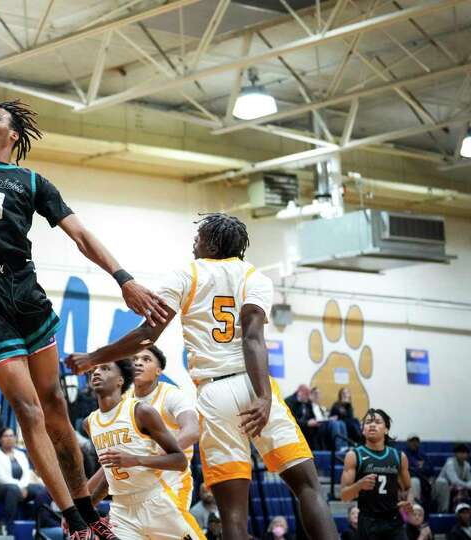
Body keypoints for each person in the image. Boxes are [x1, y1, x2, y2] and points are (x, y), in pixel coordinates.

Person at [0, 4, 166, 538]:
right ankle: (73, 520)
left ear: (13, 135)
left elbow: (82, 235)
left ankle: (90, 511)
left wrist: (124, 277)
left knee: (56, 407)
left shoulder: (34, 183)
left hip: (24, 285)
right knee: (25, 408)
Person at [66, 214, 338, 540]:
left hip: (214, 393)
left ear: (211, 240)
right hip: (253, 383)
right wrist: (263, 396)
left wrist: (93, 357)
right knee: (308, 487)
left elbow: (147, 333)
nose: (193, 243)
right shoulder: (256, 277)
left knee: (233, 515)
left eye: (198, 237)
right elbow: (253, 336)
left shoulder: (186, 274)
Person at [82, 359, 202, 539]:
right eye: (94, 370)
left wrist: (136, 459)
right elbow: (110, 473)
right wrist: (82, 511)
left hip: (157, 503)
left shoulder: (141, 411)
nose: (97, 372)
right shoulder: (89, 423)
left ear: (120, 380)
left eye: (105, 368)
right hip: (121, 511)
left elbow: (179, 460)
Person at [125, 344, 199, 509]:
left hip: (171, 483)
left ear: (158, 371)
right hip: (137, 485)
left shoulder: (173, 395)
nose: (138, 363)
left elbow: (192, 431)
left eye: (146, 359)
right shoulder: (124, 400)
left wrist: (153, 457)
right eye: (134, 359)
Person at [340, 408, 412, 540]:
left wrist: (406, 504)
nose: (372, 425)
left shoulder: (399, 456)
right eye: (368, 422)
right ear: (363, 430)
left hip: (394, 520)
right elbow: (344, 496)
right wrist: (359, 485)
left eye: (378, 422)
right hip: (368, 521)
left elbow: (408, 488)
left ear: (386, 429)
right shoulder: (354, 456)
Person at [0, 427, 50, 527]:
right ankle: (7, 524)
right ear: (0, 439)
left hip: (21, 487)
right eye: (6, 436)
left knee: (41, 489)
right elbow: (1, 478)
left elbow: (26, 474)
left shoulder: (20, 454)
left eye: (11, 436)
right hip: (0, 488)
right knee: (13, 489)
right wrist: (20, 487)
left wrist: (23, 487)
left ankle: (38, 522)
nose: (9, 438)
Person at [434, 444, 471, 513]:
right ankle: (444, 511)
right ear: (456, 454)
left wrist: (468, 485)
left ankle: (463, 512)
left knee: (463, 488)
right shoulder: (450, 463)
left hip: (457, 487)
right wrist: (467, 485)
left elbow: (469, 479)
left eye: (465, 453)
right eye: (461, 453)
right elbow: (454, 481)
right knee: (443, 482)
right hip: (441, 487)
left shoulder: (467, 465)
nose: (463, 455)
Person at [404, 436, 435, 509]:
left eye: (416, 441)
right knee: (415, 481)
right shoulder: (403, 454)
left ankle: (442, 510)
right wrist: (420, 469)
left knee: (441, 482)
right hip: (410, 480)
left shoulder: (423, 455)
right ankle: (415, 508)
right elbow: (406, 470)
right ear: (408, 443)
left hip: (425, 480)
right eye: (412, 441)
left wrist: (420, 469)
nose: (414, 443)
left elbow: (431, 470)